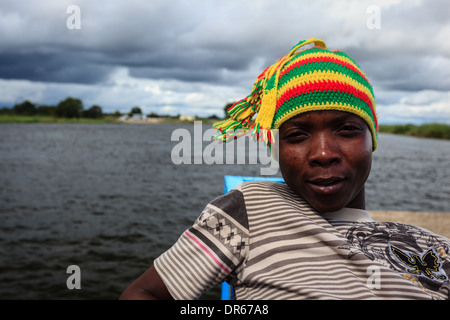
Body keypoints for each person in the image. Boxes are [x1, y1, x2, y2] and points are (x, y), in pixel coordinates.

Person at [120, 38, 450, 300]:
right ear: (276, 147)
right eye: (296, 135)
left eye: (347, 129)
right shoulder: (250, 208)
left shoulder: (433, 247)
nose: (323, 153)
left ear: (371, 139)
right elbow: (145, 292)